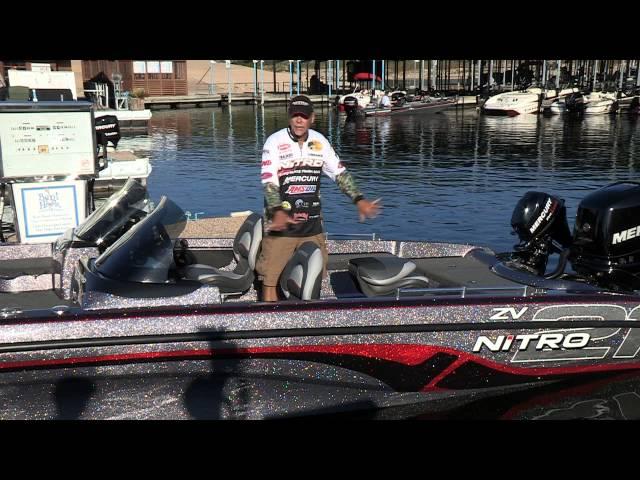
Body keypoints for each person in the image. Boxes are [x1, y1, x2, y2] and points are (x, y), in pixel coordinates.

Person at [256, 95, 381, 302]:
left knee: (313, 277)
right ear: (289, 117)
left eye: (303, 116)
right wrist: (277, 210)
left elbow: (339, 173)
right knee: (270, 279)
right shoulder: (275, 141)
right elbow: (269, 180)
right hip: (281, 226)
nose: (299, 120)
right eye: (295, 115)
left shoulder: (320, 141)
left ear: (311, 118)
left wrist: (359, 199)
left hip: (312, 226)